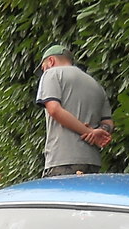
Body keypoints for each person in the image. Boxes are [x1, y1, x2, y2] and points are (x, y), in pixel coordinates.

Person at [35, 44, 115, 177]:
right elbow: (108, 123)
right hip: (92, 162)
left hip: (63, 160)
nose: (44, 71)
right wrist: (98, 133)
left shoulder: (52, 74)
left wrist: (88, 132)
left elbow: (54, 109)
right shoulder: (96, 85)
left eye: (43, 68)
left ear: (51, 61)